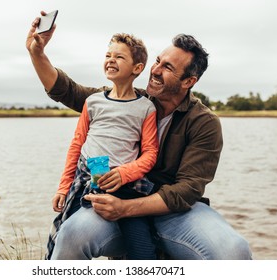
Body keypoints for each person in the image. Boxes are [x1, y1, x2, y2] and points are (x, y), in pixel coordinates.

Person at [26, 11, 253, 260]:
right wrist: (37, 53)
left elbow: (187, 190)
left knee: (234, 251)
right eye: (157, 60)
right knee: (72, 234)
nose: (155, 70)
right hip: (117, 198)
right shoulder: (130, 100)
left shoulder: (204, 122)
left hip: (174, 213)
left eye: (167, 67)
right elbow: (67, 91)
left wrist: (126, 208)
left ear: (189, 81)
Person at [49, 32, 159, 259]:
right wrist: (63, 186)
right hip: (88, 180)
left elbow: (150, 153)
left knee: (143, 251)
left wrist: (124, 173)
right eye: (108, 55)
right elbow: (77, 145)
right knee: (64, 235)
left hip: (126, 187)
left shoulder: (146, 108)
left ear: (137, 68)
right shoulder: (93, 101)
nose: (110, 60)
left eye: (119, 57)